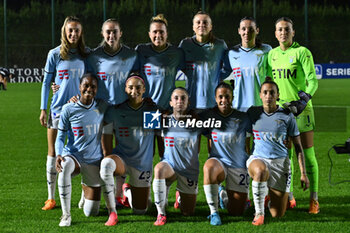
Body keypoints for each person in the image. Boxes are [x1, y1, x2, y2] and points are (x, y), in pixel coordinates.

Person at [267, 17, 319, 213]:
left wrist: (303, 100)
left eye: (286, 29)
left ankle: (314, 198)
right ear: (275, 33)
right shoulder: (271, 54)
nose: (283, 32)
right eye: (279, 29)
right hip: (281, 112)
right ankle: (289, 196)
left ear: (293, 32)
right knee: (285, 156)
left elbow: (313, 81)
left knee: (308, 153)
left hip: (302, 111)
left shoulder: (302, 52)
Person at [246, 77, 309, 225]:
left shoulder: (287, 116)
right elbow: (245, 140)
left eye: (272, 93)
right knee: (260, 171)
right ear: (260, 95)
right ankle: (259, 214)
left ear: (278, 95)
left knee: (277, 214)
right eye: (265, 93)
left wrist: (303, 174)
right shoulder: (253, 113)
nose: (268, 96)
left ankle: (267, 196)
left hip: (280, 163)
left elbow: (298, 147)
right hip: (258, 159)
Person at [40, 16, 88, 211]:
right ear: (64, 31)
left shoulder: (87, 55)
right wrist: (43, 108)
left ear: (81, 32)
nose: (73, 34)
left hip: (80, 111)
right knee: (53, 152)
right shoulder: (55, 54)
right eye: (70, 30)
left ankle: (86, 193)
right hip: (58, 110)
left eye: (77, 30)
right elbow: (46, 82)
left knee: (84, 152)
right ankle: (51, 198)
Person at [100, 73, 158, 217]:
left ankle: (127, 191)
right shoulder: (115, 111)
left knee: (141, 210)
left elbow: (154, 140)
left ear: (144, 89)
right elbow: (106, 139)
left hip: (142, 165)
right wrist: (108, 159)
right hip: (122, 160)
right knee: (106, 164)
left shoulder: (151, 110)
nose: (134, 91)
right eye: (130, 87)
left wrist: (150, 163)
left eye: (138, 88)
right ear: (125, 89)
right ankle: (112, 211)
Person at [55, 73, 109, 227]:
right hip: (74, 156)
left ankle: (85, 190)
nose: (89, 89)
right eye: (86, 85)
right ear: (79, 87)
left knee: (91, 212)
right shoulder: (68, 108)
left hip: (94, 160)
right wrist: (59, 154)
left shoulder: (102, 106)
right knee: (64, 167)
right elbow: (60, 136)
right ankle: (66, 215)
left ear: (97, 89)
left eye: (93, 86)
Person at [202, 82, 251, 226]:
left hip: (238, 166)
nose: (224, 100)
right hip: (219, 163)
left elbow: (255, 134)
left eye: (227, 97)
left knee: (237, 212)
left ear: (233, 97)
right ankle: (213, 213)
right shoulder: (208, 116)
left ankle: (223, 195)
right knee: (209, 167)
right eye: (220, 97)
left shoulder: (243, 117)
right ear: (216, 99)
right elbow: (189, 121)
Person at [153, 87, 202, 226]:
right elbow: (136, 117)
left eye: (183, 98)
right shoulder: (161, 119)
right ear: (170, 102)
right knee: (159, 170)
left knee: (188, 212)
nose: (179, 101)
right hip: (170, 165)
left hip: (189, 170)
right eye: (176, 98)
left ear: (188, 102)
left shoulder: (198, 120)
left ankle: (179, 196)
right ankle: (161, 213)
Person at [179, 11, 227, 111]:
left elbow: (228, 67)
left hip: (213, 102)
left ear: (211, 26)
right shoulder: (185, 44)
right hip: (190, 102)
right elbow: (180, 66)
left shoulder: (220, 45)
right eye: (198, 22)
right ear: (193, 27)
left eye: (205, 22)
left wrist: (216, 76)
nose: (202, 25)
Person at [136, 14, 185, 110]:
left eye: (161, 32)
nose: (158, 35)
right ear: (149, 34)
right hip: (147, 107)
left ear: (166, 34)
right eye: (155, 32)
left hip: (168, 108)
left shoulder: (177, 53)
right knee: (150, 125)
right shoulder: (141, 50)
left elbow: (189, 75)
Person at [223, 16, 272, 112]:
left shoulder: (266, 50)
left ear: (257, 30)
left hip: (260, 107)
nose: (247, 32)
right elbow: (221, 73)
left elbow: (272, 77)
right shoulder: (232, 53)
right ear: (239, 31)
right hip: (238, 108)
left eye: (251, 29)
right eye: (243, 29)